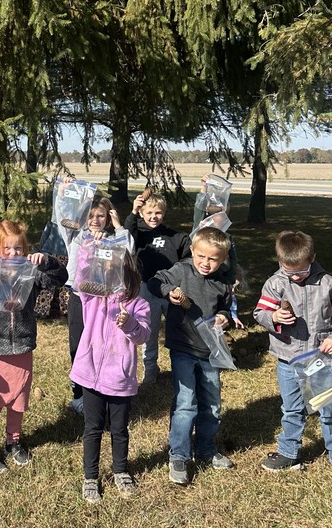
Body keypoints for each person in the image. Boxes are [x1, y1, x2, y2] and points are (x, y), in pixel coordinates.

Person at [253, 230, 332, 490]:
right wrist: (275, 318)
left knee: (330, 411)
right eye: (288, 271)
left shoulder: (328, 284)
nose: (294, 277)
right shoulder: (275, 283)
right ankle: (289, 452)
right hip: (288, 359)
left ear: (312, 259)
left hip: (320, 360)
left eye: (300, 272)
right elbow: (260, 312)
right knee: (291, 409)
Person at [0, 219, 67, 474]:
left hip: (22, 345)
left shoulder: (30, 271)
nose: (12, 254)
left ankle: (13, 442)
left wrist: (48, 261)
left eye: (18, 248)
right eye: (6, 248)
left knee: (18, 400)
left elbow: (60, 278)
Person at [147, 226, 235, 485]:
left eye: (213, 259)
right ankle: (179, 454)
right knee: (186, 403)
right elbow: (155, 282)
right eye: (201, 257)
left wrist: (223, 317)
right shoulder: (181, 271)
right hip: (183, 347)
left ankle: (205, 448)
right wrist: (169, 292)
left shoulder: (222, 282)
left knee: (212, 404)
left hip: (210, 351)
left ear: (222, 259)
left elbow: (226, 307)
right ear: (193, 251)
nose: (206, 263)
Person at [70, 251, 151, 503]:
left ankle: (120, 471)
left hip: (120, 378)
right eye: (106, 273)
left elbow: (143, 336)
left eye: (117, 274)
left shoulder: (139, 304)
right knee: (92, 428)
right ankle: (90, 477)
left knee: (119, 429)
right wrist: (88, 249)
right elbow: (80, 276)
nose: (112, 280)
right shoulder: (92, 299)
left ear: (129, 276)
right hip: (90, 373)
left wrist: (129, 324)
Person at [57, 193, 133, 413]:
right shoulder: (77, 237)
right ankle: (79, 393)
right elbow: (63, 222)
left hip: (104, 301)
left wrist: (119, 227)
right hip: (79, 297)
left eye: (100, 216)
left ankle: (102, 388)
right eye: (90, 215)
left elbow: (129, 250)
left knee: (100, 344)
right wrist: (62, 198)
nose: (95, 220)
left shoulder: (112, 238)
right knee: (78, 343)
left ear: (108, 217)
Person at [125, 190, 191, 384]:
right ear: (143, 214)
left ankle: (180, 369)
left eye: (158, 213)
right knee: (149, 332)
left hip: (172, 291)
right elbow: (127, 232)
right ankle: (150, 371)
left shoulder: (175, 236)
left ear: (164, 213)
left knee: (178, 331)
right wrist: (133, 212)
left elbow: (188, 255)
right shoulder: (139, 234)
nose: (154, 217)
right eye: (149, 213)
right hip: (147, 290)